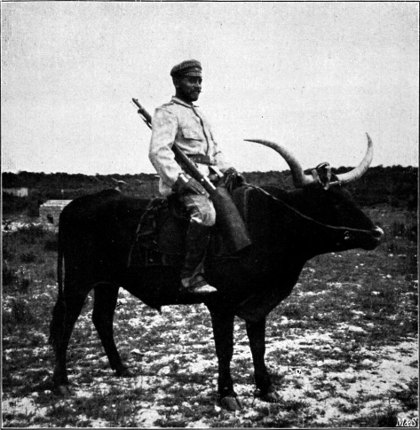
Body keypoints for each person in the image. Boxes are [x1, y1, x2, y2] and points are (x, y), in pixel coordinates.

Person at [149, 59, 243, 295]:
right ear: (177, 82)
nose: (198, 85)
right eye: (192, 80)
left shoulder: (200, 115)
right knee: (205, 214)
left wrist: (229, 169)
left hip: (210, 180)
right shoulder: (167, 113)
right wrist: (181, 181)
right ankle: (190, 277)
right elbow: (158, 152)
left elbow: (214, 152)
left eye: (200, 81)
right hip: (187, 184)